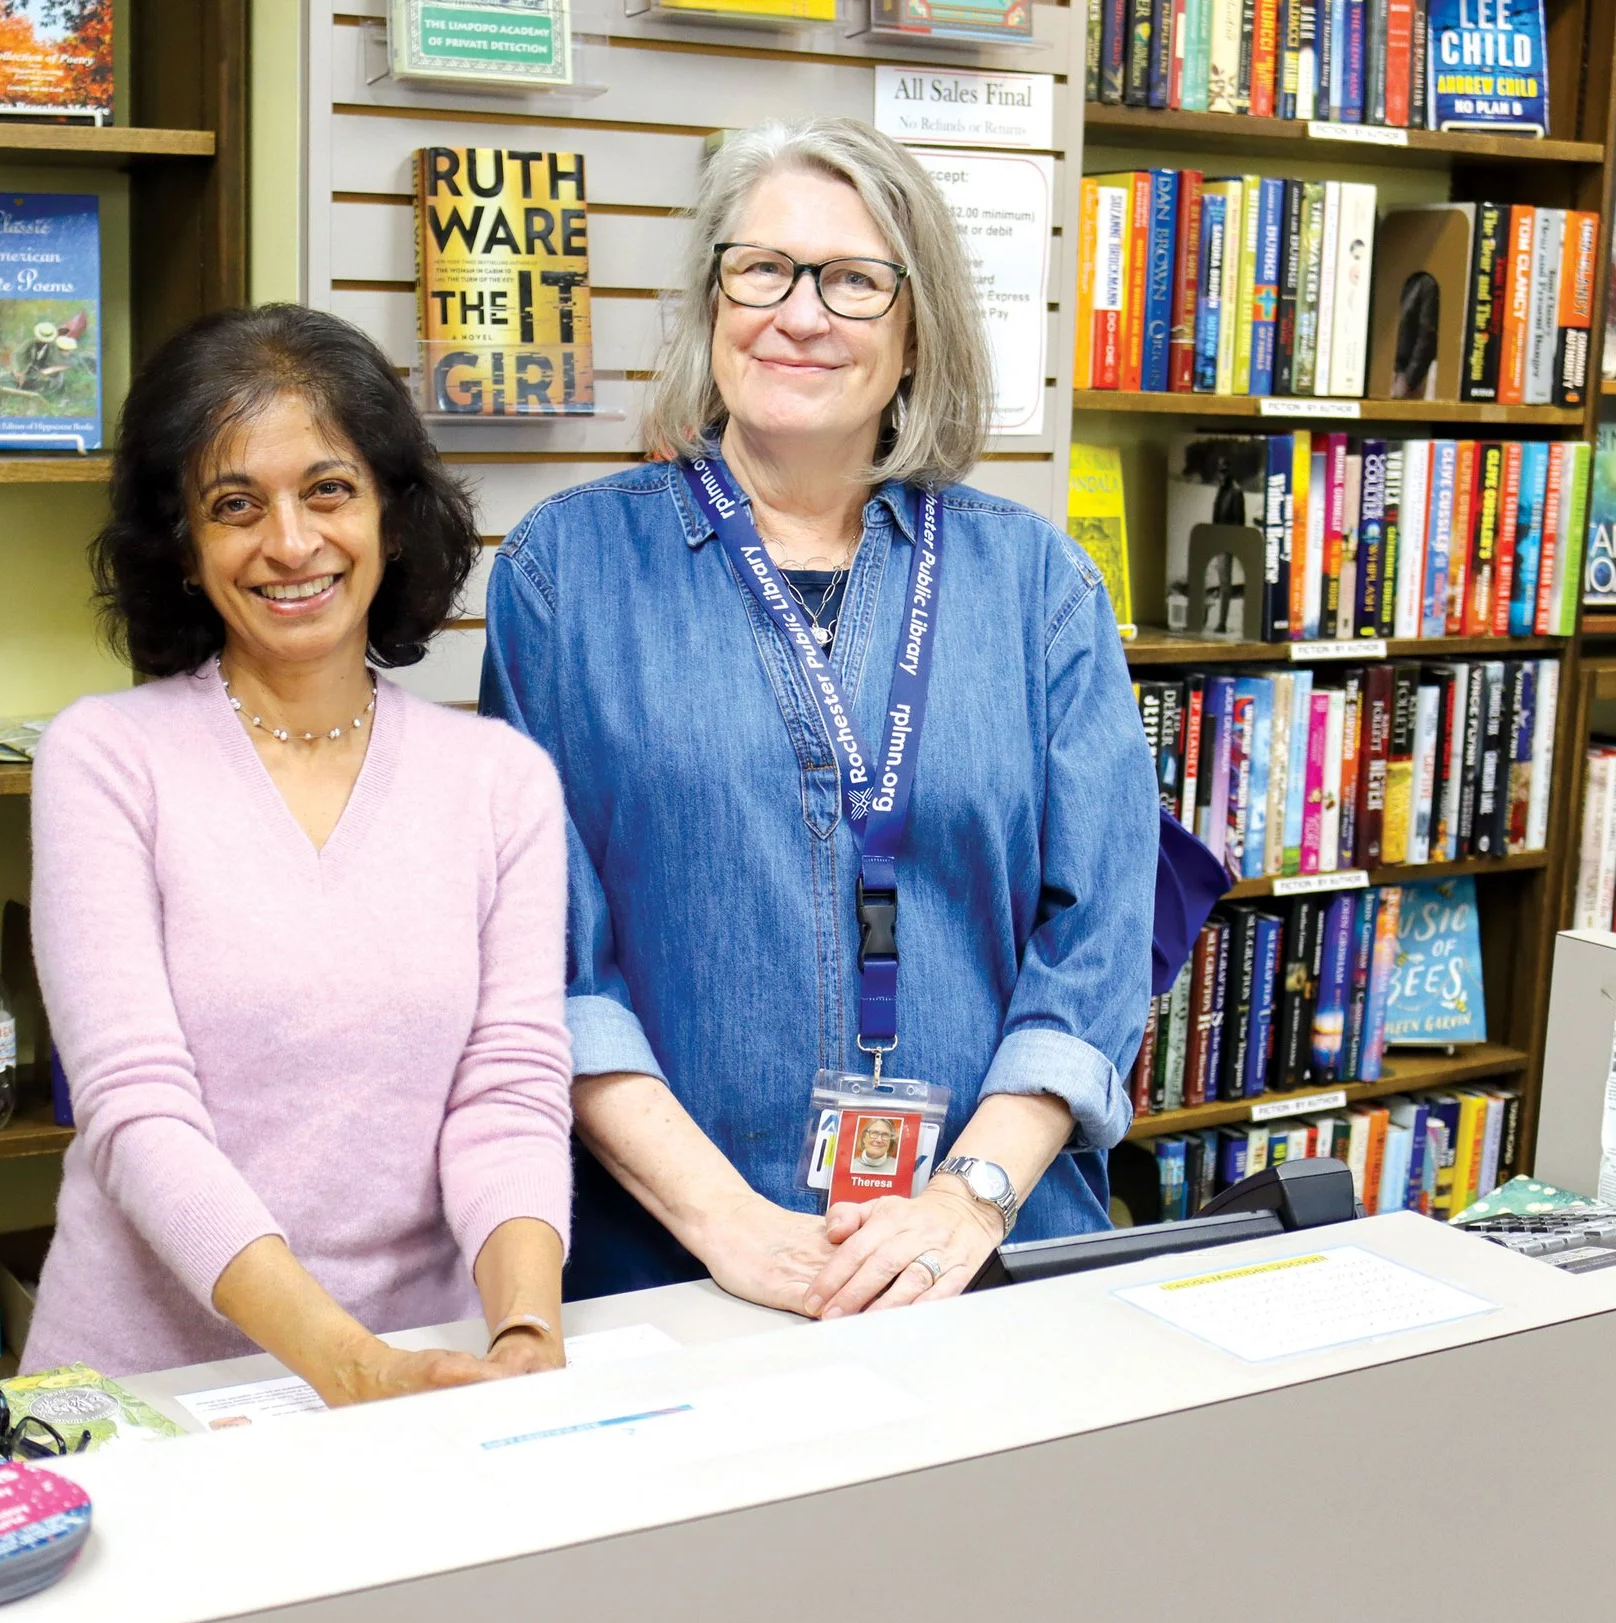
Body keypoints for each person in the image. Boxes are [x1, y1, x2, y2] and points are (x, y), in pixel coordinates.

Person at [481, 118, 1156, 1320]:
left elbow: (1096, 939)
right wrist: (730, 1227)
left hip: (983, 1264)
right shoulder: (563, 574)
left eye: (853, 280)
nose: (800, 314)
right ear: (711, 300)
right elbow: (546, 960)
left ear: (915, 331)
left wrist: (968, 1197)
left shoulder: (1036, 585)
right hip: (677, 1267)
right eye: (763, 269)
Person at [22, 305, 574, 1401]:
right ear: (182, 548)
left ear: (392, 515)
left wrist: (523, 1333)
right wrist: (347, 1362)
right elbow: (136, 1113)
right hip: (149, 1395)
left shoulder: (501, 780)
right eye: (235, 505)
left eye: (328, 489)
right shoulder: (106, 760)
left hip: (429, 1373)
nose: (290, 542)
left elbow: (507, 1096)